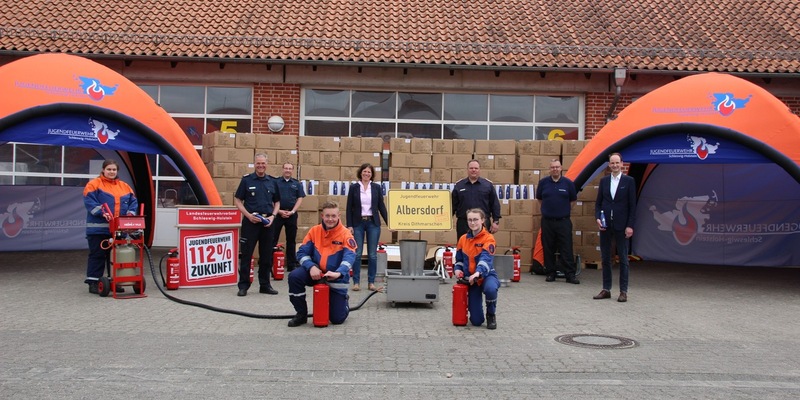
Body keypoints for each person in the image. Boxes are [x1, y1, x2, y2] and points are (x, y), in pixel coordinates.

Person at [287, 201, 357, 327]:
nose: (330, 219)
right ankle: (301, 314)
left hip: (336, 276)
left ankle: (343, 301)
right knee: (294, 276)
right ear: (322, 216)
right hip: (316, 273)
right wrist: (311, 267)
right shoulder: (314, 231)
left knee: (336, 319)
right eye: (327, 216)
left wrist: (338, 273)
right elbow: (301, 253)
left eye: (333, 216)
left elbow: (350, 257)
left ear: (339, 216)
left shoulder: (346, 234)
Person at [83, 159, 138, 294]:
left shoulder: (125, 186)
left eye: (114, 169)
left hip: (119, 230)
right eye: (109, 169)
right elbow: (90, 203)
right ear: (103, 170)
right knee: (98, 255)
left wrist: (131, 214)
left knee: (115, 257)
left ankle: (113, 281)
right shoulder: (94, 185)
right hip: (98, 229)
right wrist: (104, 213)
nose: (111, 172)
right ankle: (94, 282)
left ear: (117, 171)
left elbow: (133, 202)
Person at [233, 153, 281, 297]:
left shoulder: (273, 182)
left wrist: (273, 216)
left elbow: (277, 202)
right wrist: (248, 216)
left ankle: (265, 285)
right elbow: (237, 200)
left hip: (267, 223)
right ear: (254, 164)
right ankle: (243, 286)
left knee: (266, 255)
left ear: (267, 164)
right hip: (250, 223)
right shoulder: (247, 180)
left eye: (263, 163)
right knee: (247, 255)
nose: (261, 166)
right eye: (258, 163)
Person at [593, 153, 637, 303]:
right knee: (605, 258)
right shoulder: (604, 181)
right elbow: (598, 203)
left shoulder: (629, 181)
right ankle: (606, 289)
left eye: (617, 163)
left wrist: (630, 225)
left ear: (622, 163)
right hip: (606, 226)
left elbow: (633, 206)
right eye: (612, 163)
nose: (615, 165)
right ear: (609, 165)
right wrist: (598, 217)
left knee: (623, 259)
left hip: (622, 225)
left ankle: (623, 291)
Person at [453, 208, 500, 330]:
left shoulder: (489, 239)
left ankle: (491, 314)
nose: (472, 223)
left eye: (475, 220)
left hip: (486, 275)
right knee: (476, 321)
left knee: (490, 289)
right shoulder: (463, 239)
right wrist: (457, 269)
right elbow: (459, 259)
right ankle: (478, 315)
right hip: (471, 279)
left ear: (482, 220)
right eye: (470, 220)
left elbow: (486, 259)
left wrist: (478, 273)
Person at [536, 159, 580, 284]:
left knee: (566, 248)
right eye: (552, 167)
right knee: (548, 247)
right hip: (548, 221)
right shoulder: (543, 183)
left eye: (557, 167)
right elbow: (539, 199)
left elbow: (572, 200)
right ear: (549, 169)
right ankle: (550, 273)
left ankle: (570, 275)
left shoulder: (568, 183)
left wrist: (563, 211)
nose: (555, 169)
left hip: (563, 221)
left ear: (561, 168)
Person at [346, 163, 388, 292]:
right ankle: (356, 282)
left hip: (372, 223)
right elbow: (349, 208)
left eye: (369, 172)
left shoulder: (376, 187)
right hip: (358, 223)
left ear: (372, 174)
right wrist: (350, 225)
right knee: (357, 254)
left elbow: (381, 206)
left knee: (372, 255)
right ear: (361, 173)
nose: (366, 174)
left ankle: (371, 282)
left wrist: (389, 223)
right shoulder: (353, 187)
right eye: (364, 171)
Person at [451, 160, 501, 239]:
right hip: (464, 223)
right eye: (471, 168)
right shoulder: (459, 185)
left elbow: (494, 204)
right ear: (467, 170)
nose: (473, 170)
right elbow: (452, 205)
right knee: (463, 248)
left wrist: (496, 221)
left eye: (476, 168)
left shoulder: (487, 185)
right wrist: (446, 222)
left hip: (483, 223)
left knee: (483, 247)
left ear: (479, 170)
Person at [271, 162, 305, 272]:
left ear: (292, 170)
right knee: (273, 239)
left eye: (290, 169)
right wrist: (279, 211)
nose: (288, 170)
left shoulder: (296, 184)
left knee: (291, 240)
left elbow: (300, 198)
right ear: (282, 169)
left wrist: (293, 211)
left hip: (291, 214)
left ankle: (291, 264)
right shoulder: (275, 182)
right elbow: (271, 198)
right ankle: (270, 263)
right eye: (286, 168)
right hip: (278, 214)